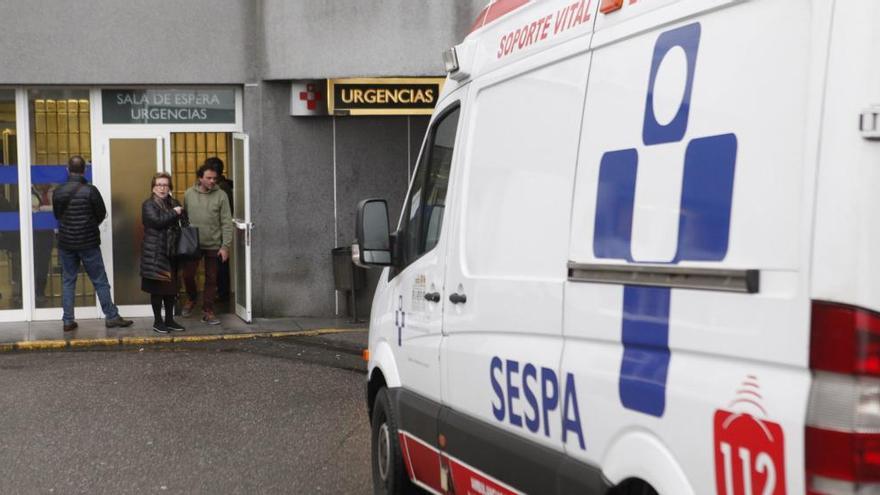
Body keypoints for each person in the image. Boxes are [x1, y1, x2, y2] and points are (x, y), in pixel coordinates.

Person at [52, 155, 132, 331]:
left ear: (67, 169)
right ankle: (111, 316)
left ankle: (67, 320)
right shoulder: (90, 191)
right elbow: (101, 213)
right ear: (85, 170)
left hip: (66, 243)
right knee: (99, 280)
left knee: (68, 281)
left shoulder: (58, 191)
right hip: (88, 243)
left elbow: (58, 215)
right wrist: (88, 225)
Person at [181, 162, 232, 325]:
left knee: (212, 279)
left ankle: (208, 310)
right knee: (188, 275)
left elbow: (226, 222)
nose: (212, 181)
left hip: (214, 243)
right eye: (208, 178)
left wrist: (225, 246)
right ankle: (192, 298)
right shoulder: (189, 194)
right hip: (192, 243)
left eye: (214, 178)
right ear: (200, 178)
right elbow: (184, 218)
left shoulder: (221, 195)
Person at [140, 172, 185, 334]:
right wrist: (175, 212)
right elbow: (157, 222)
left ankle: (170, 320)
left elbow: (184, 222)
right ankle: (158, 321)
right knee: (157, 289)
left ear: (170, 187)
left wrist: (181, 213)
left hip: (172, 252)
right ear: (153, 188)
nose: (162, 188)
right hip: (156, 253)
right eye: (159, 185)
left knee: (171, 290)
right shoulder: (148, 205)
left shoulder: (174, 202)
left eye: (165, 185)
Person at [205, 156, 233, 302]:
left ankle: (222, 294)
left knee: (219, 267)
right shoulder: (226, 185)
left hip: (218, 233)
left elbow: (225, 216)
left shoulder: (221, 189)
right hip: (215, 233)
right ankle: (221, 293)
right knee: (219, 267)